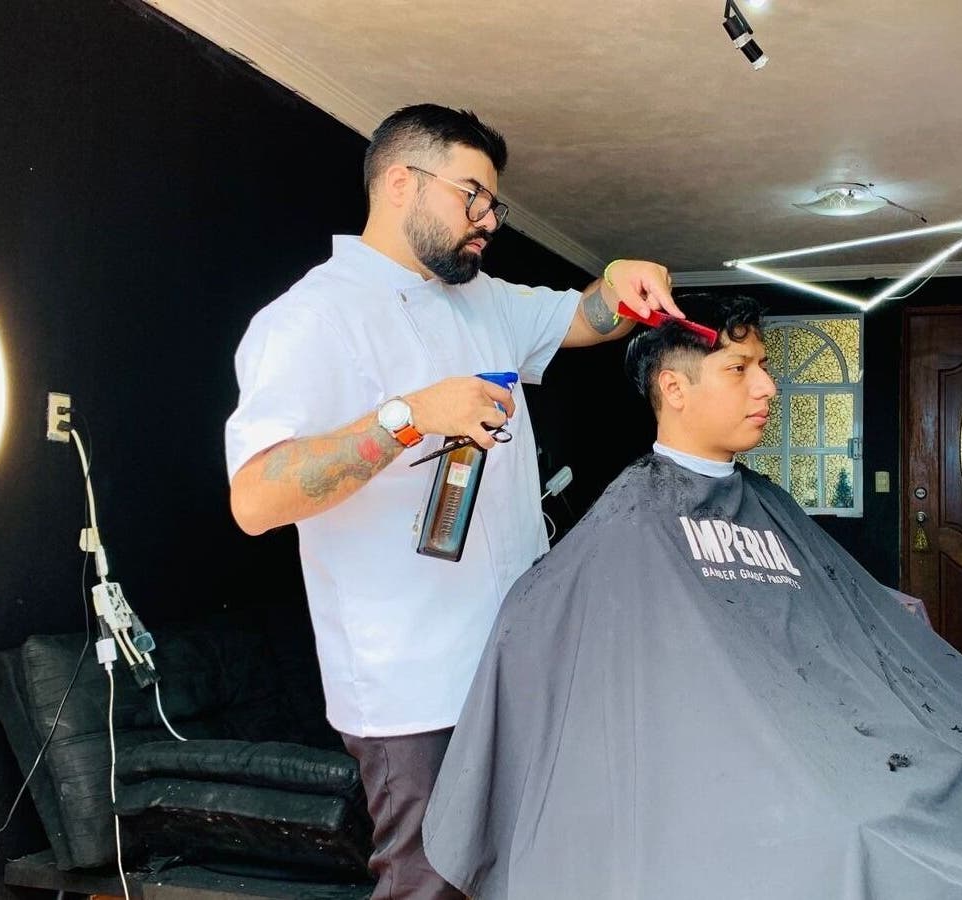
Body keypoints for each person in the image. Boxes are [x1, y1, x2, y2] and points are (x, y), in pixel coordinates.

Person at [422, 297, 962, 899]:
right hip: (750, 772)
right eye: (739, 369)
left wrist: (884, 615)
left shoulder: (768, 503)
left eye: (763, 366)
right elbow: (541, 627)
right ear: (674, 388)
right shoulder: (630, 523)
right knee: (852, 832)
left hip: (850, 738)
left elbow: (833, 603)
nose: (766, 386)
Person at [223, 103, 682, 900]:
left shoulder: (482, 300)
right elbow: (257, 498)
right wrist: (406, 419)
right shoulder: (311, 318)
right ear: (401, 182)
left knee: (524, 872)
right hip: (413, 687)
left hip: (514, 656)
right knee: (431, 886)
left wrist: (619, 280)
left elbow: (585, 317)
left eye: (492, 203)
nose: (488, 220)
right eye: (472, 196)